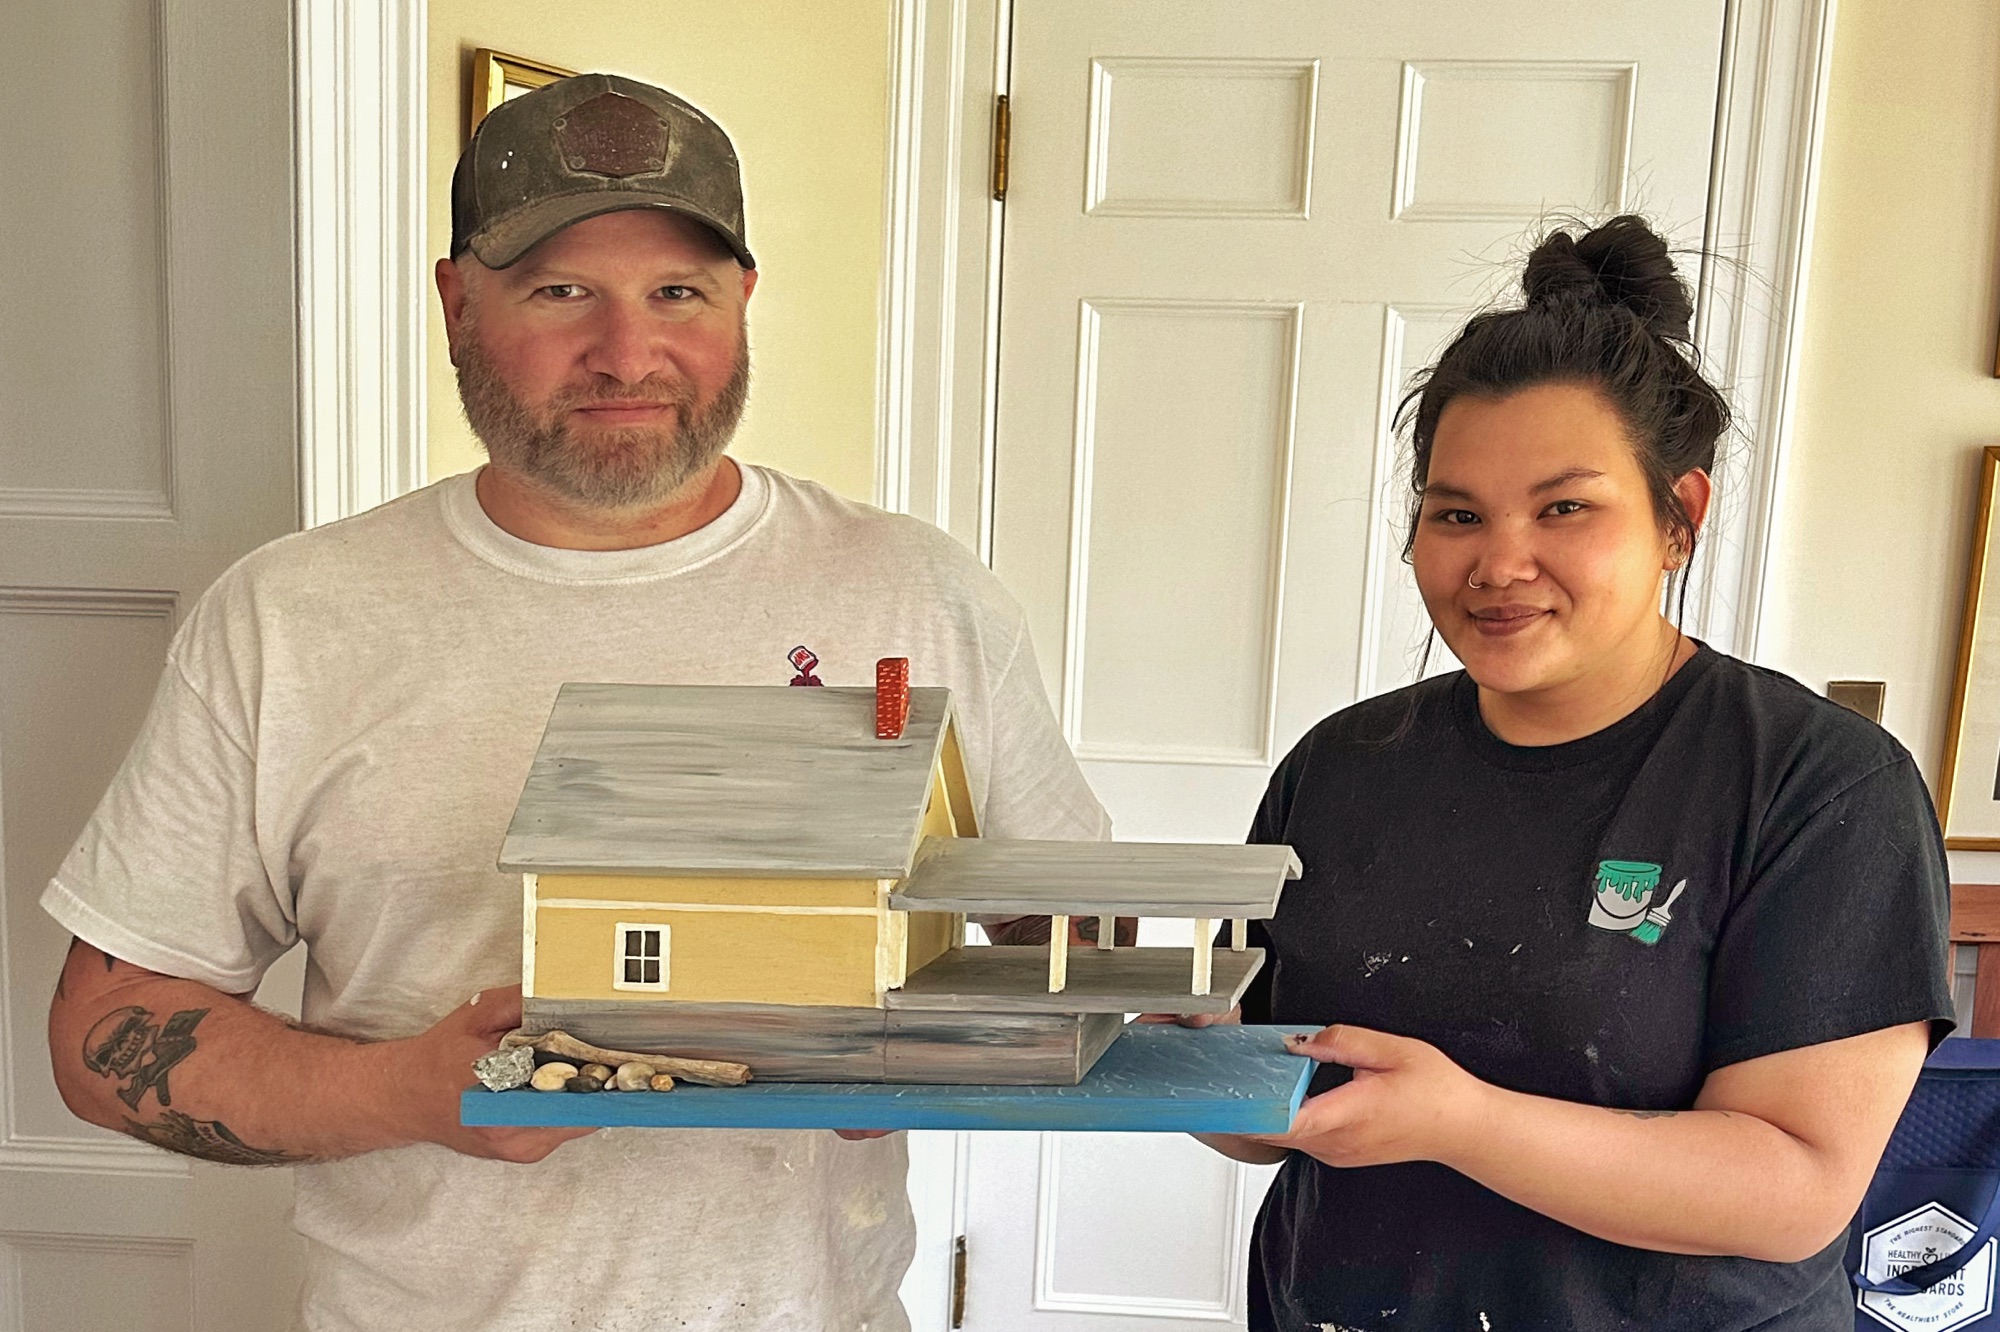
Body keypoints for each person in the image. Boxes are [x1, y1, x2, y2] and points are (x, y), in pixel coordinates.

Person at [43, 72, 1105, 1331]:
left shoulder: (915, 591)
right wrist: (413, 1093)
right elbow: (106, 1028)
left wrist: (933, 1048)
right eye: (560, 292)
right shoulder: (290, 618)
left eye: (677, 293)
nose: (626, 353)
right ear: (455, 302)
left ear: (743, 303)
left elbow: (1065, 942)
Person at [1200, 215, 1954, 1330]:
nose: (1498, 563)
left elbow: (1792, 1191)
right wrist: (1162, 1052)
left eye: (1563, 508)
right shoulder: (1339, 767)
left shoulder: (1818, 787)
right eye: (1455, 514)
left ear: (1676, 517)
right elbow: (1259, 1114)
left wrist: (1463, 1123)